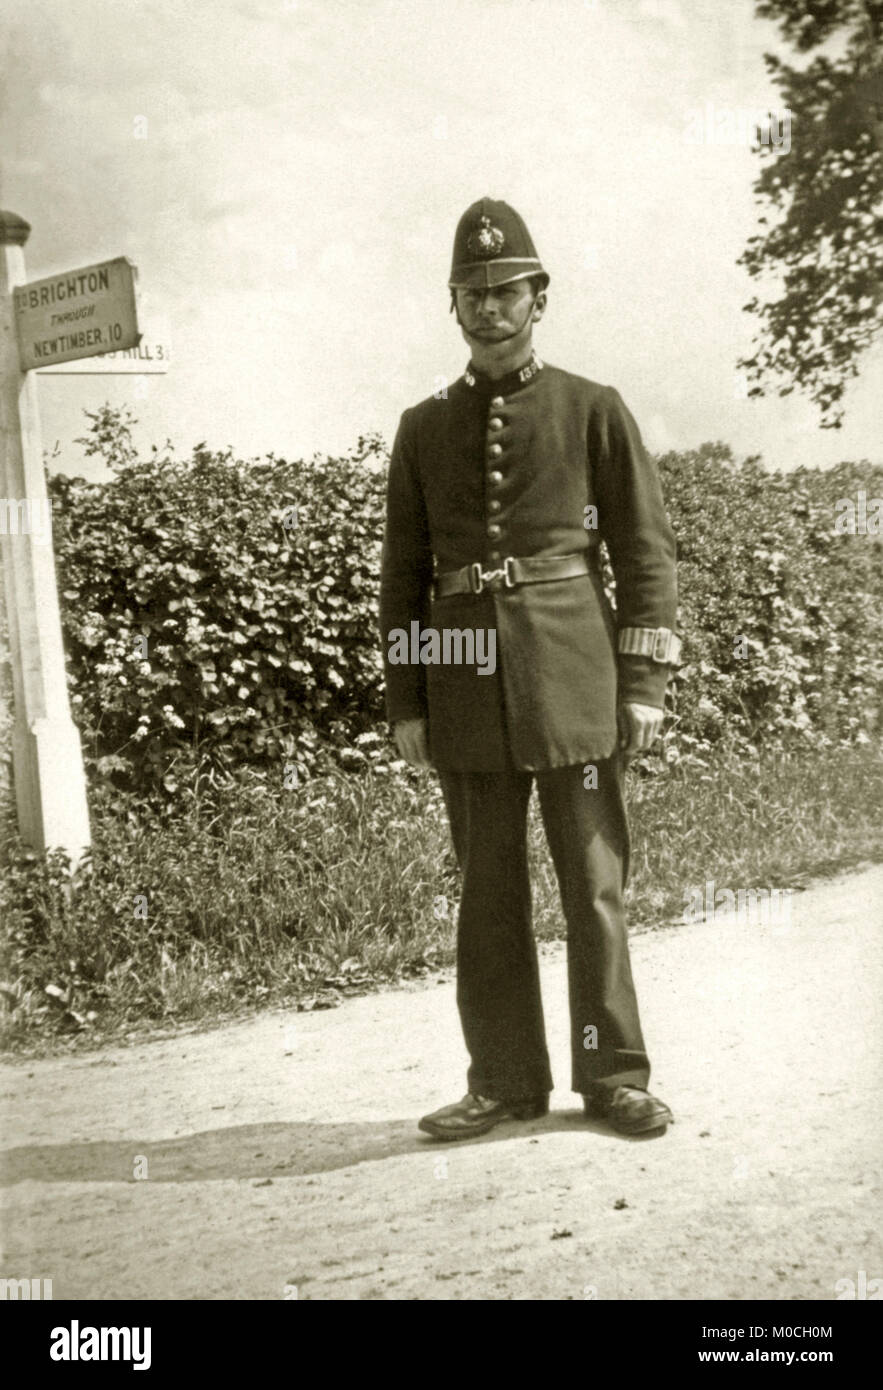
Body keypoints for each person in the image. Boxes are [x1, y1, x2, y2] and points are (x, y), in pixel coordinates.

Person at [379, 197, 680, 1141]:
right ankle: (504, 1081)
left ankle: (614, 1078)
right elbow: (401, 578)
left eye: (505, 290)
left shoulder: (593, 409)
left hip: (576, 679)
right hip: (464, 686)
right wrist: (408, 698)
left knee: (592, 885)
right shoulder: (421, 426)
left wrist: (643, 685)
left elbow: (645, 557)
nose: (488, 306)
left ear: (538, 297)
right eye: (470, 292)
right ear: (453, 307)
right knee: (486, 892)